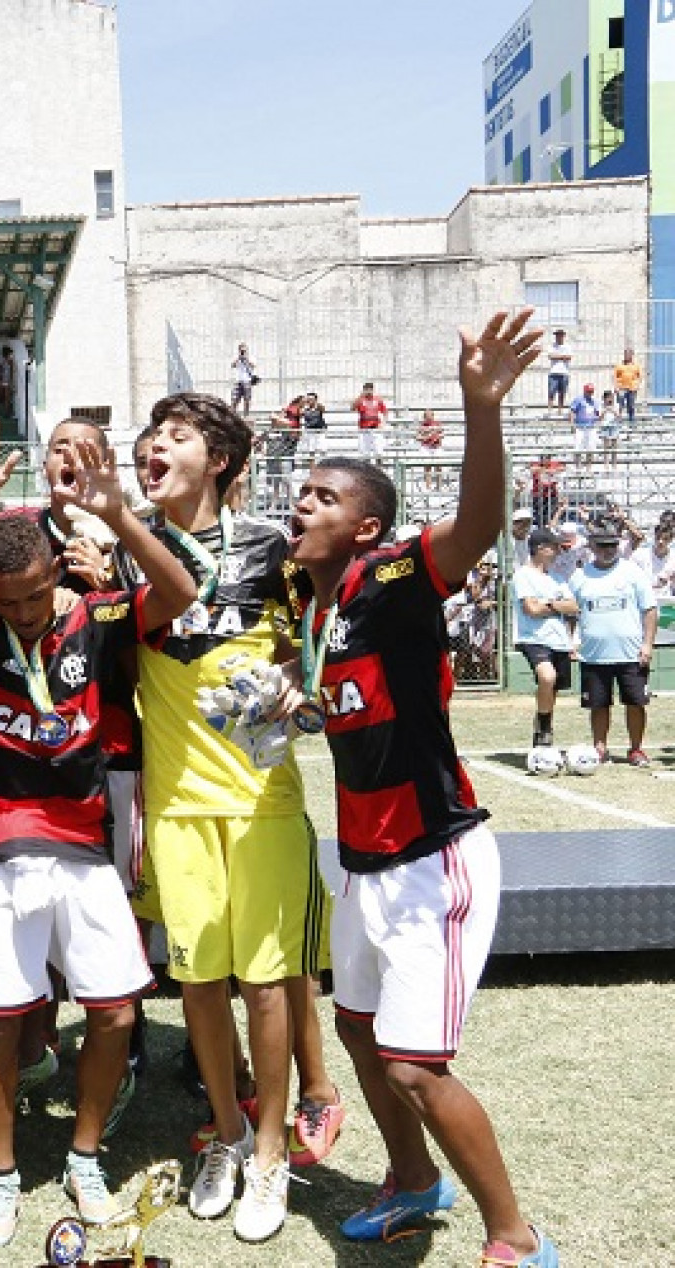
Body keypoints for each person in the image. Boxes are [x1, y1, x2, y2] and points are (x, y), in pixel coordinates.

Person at [289, 308, 559, 1266]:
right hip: (360, 861)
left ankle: (515, 1236)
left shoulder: (391, 579)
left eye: (321, 496)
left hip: (430, 859)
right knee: (359, 1035)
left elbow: (480, 524)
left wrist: (477, 407)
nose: (301, 504)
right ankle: (410, 1186)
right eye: (299, 491)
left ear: (364, 524)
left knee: (410, 1062)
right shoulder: (311, 605)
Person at [0, 418, 196, 1246]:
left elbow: (179, 594)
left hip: (80, 841)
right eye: (9, 601)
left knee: (112, 1013)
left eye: (37, 595)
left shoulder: (97, 615)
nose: (27, 612)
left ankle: (82, 1155)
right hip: (0, 843)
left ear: (53, 575)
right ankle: (2, 1177)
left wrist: (117, 517)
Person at [130, 392, 339, 1241]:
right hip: (175, 803)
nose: (155, 445)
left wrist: (299, 690)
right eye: (153, 434)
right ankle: (221, 1131)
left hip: (259, 801)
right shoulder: (125, 547)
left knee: (264, 986)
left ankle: (267, 1151)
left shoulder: (272, 554)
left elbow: (306, 661)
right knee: (198, 985)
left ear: (217, 460)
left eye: (176, 436)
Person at [571, 517, 657, 767]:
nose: (608, 550)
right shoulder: (580, 576)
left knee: (635, 702)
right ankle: (600, 748)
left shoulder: (632, 572)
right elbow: (571, 611)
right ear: (592, 547)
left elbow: (650, 610)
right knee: (598, 704)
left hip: (630, 654)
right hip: (594, 655)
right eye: (602, 545)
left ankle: (636, 749)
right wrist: (572, 641)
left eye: (612, 545)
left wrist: (647, 645)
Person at [513, 527, 577, 749]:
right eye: (555, 547)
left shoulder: (558, 577)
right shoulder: (523, 575)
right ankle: (544, 729)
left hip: (559, 639)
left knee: (553, 688)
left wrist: (549, 605)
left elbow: (573, 606)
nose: (559, 551)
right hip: (534, 637)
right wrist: (557, 606)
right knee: (547, 677)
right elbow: (531, 609)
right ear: (541, 549)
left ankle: (543, 728)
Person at [352, 382, 390, 461]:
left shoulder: (377, 400)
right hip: (364, 428)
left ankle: (379, 468)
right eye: (367, 389)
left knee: (379, 451)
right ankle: (367, 470)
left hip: (375, 427)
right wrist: (359, 397)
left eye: (370, 389)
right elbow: (352, 408)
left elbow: (385, 412)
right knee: (365, 452)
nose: (369, 391)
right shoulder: (361, 400)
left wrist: (383, 423)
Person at [568, 383, 601, 471]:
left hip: (591, 427)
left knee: (591, 447)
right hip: (580, 427)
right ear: (584, 391)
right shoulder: (578, 400)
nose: (590, 393)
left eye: (591, 392)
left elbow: (598, 414)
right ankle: (578, 466)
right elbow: (572, 412)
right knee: (578, 447)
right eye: (588, 391)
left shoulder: (595, 402)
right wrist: (572, 424)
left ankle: (588, 467)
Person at [614, 347, 641, 425]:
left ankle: (631, 423)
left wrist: (637, 385)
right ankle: (618, 422)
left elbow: (639, 377)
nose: (626, 356)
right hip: (621, 388)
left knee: (631, 406)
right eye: (625, 354)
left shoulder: (636, 366)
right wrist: (616, 387)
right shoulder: (619, 365)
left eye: (628, 354)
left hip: (632, 389)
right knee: (620, 405)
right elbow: (615, 377)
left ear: (632, 355)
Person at [545, 328, 572, 409]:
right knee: (551, 392)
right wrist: (562, 356)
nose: (558, 337)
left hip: (564, 373)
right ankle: (550, 410)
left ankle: (560, 410)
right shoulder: (552, 346)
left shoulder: (568, 347)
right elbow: (550, 356)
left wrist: (557, 356)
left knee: (562, 393)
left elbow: (569, 357)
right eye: (557, 335)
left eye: (560, 335)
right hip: (553, 372)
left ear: (563, 336)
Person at [296, 392, 327, 458]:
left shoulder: (319, 407)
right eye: (308, 399)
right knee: (311, 451)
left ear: (315, 400)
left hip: (320, 431)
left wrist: (315, 403)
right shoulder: (305, 409)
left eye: (311, 399)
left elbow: (323, 408)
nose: (309, 401)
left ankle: (323, 466)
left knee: (322, 450)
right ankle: (312, 468)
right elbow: (299, 413)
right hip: (310, 432)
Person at [231, 343, 257, 415]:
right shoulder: (237, 358)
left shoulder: (251, 358)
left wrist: (246, 359)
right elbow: (232, 365)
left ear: (247, 350)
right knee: (235, 399)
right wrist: (239, 358)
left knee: (247, 400)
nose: (243, 352)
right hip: (238, 381)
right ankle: (233, 415)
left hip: (247, 381)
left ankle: (246, 416)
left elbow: (253, 365)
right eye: (241, 350)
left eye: (244, 350)